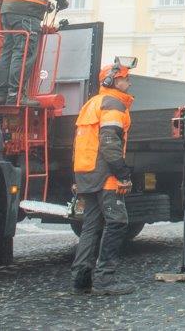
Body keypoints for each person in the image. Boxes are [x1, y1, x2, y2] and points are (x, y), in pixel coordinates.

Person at [71, 59, 136, 296]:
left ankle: (81, 279)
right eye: (125, 78)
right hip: (105, 174)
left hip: (86, 173)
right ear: (111, 80)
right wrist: (123, 174)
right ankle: (104, 280)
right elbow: (109, 144)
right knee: (117, 222)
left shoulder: (92, 103)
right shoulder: (113, 104)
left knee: (91, 226)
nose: (129, 81)